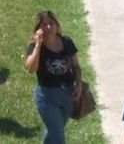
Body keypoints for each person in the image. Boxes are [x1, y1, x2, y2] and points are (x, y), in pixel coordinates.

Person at [24, 10, 84, 144]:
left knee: (53, 132)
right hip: (47, 97)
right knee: (58, 137)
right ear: (39, 28)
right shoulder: (34, 46)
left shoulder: (67, 42)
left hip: (68, 95)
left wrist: (79, 84)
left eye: (51, 23)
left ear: (57, 25)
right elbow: (31, 69)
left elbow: (76, 67)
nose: (49, 27)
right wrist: (38, 45)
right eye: (44, 25)